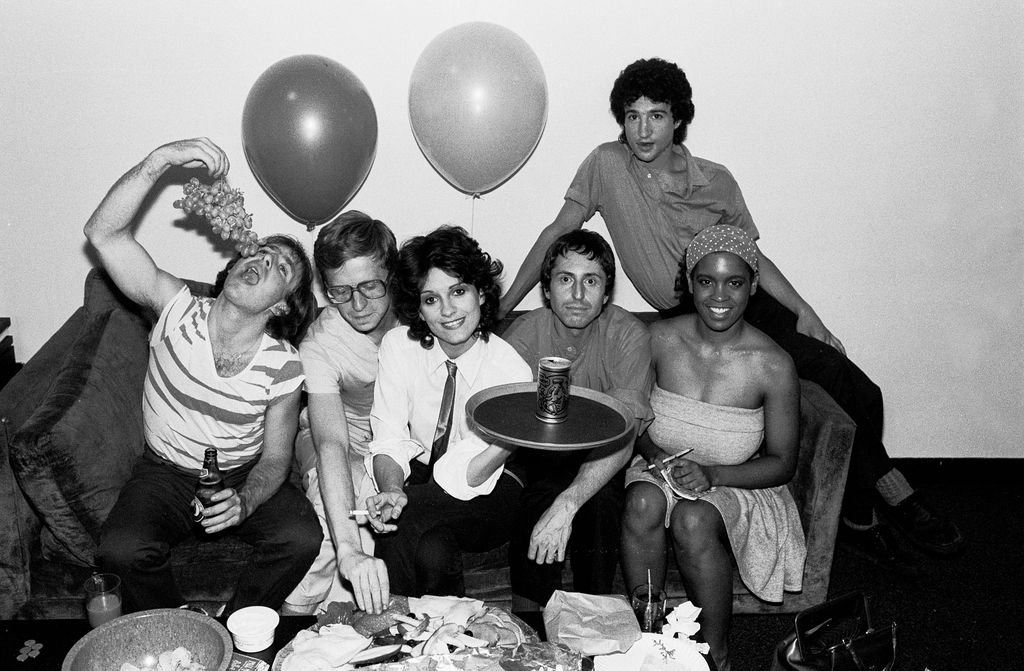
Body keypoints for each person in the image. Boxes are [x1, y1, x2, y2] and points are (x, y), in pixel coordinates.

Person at [500, 57, 962, 570]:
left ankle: (876, 502)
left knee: (855, 387)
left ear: (679, 119)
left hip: (742, 298)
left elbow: (753, 256)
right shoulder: (606, 165)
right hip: (690, 310)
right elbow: (555, 235)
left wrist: (806, 311)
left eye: (656, 115)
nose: (643, 128)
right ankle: (881, 509)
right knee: (833, 381)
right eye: (632, 116)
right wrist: (506, 301)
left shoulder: (716, 180)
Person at [91, 138, 322, 615]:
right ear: (236, 260)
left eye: (280, 267)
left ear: (282, 305)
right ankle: (186, 627)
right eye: (258, 252)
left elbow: (277, 458)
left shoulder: (284, 364)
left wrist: (246, 501)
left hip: (239, 473)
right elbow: (103, 234)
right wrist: (159, 161)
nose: (260, 260)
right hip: (165, 472)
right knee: (119, 551)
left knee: (301, 537)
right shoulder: (175, 308)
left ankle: (238, 625)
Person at [622, 225, 804, 671]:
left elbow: (782, 463)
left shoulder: (773, 364)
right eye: (706, 281)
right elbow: (631, 415)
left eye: (734, 282)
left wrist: (715, 475)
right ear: (689, 282)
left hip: (738, 481)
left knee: (693, 518)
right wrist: (651, 453)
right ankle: (651, 642)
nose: (719, 295)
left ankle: (715, 655)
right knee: (642, 502)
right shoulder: (659, 339)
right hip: (657, 467)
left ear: (754, 286)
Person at [364, 226, 533, 597]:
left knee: (405, 516)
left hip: (492, 482)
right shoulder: (398, 347)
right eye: (430, 299)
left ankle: (389, 634)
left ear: (481, 293)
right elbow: (389, 436)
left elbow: (467, 475)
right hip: (425, 481)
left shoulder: (510, 371)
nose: (448, 311)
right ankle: (440, 646)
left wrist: (402, 502)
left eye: (458, 292)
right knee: (432, 551)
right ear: (418, 310)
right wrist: (392, 489)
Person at [501, 229, 654, 609]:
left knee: (600, 505)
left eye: (591, 281)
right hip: (538, 456)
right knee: (537, 498)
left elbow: (625, 433)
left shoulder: (628, 335)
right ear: (547, 289)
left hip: (604, 456)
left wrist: (569, 503)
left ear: (606, 294)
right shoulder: (522, 334)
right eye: (566, 279)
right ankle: (531, 625)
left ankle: (592, 615)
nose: (578, 294)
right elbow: (507, 425)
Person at [283, 212, 398, 616]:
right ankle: (294, 620)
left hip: (393, 451)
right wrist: (349, 546)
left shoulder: (424, 313)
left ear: (392, 275)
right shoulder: (320, 344)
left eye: (370, 285)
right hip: (328, 438)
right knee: (343, 504)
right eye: (341, 292)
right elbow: (330, 441)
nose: (358, 304)